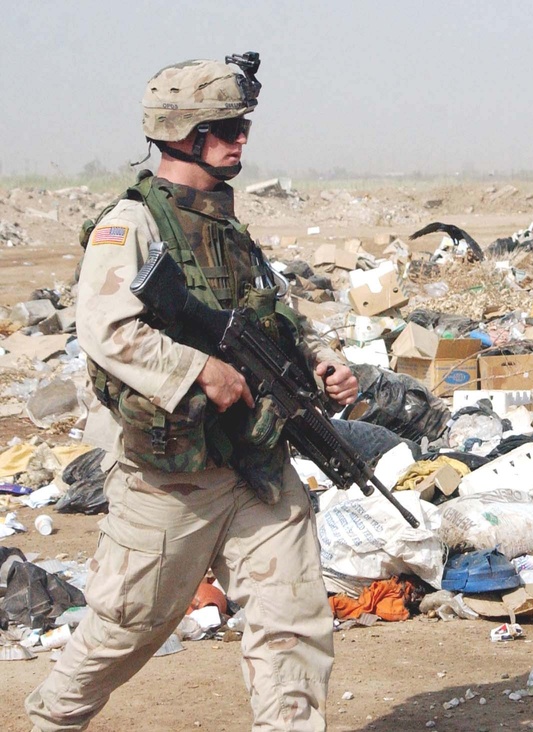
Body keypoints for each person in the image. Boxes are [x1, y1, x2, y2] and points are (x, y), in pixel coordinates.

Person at [25, 52, 356, 731]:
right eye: (223, 126)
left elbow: (274, 316)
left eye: (241, 125)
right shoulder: (132, 224)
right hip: (172, 477)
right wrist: (199, 370)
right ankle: (50, 721)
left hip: (256, 465)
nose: (240, 138)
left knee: (292, 625)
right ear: (179, 132)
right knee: (127, 628)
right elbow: (107, 329)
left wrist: (322, 364)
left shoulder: (227, 229)